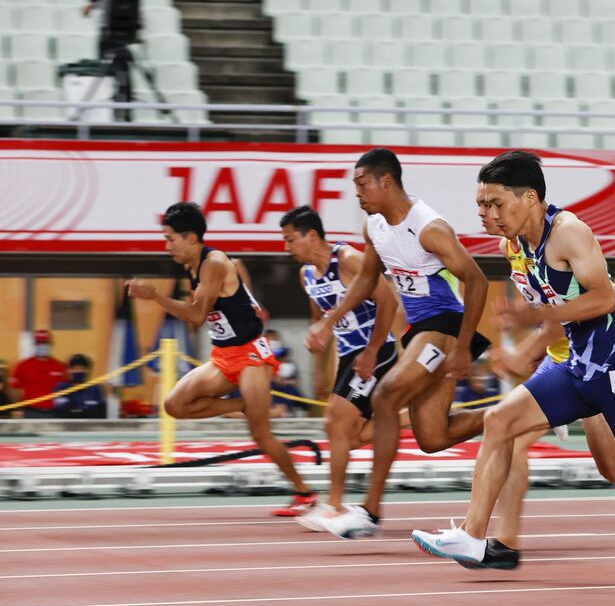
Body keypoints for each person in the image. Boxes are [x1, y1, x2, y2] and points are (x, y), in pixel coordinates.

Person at [412, 149, 615, 566]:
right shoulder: (512, 245)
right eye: (480, 204)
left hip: (612, 364)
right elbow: (552, 308)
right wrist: (531, 341)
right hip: (572, 363)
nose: (485, 213)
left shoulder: (569, 232)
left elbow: (603, 299)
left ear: (529, 198)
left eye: (494, 203)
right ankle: (473, 535)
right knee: (499, 422)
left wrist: (535, 319)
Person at [306, 148, 492, 540]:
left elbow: (477, 280)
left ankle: (370, 511)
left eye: (361, 184)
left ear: (385, 181)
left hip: (444, 326)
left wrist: (461, 347)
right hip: (420, 331)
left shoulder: (428, 227)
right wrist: (328, 321)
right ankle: (520, 413)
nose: (356, 193)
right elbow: (365, 281)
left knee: (386, 396)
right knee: (432, 437)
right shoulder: (373, 226)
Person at [125, 201, 317, 516]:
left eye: (170, 238)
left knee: (261, 434)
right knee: (175, 405)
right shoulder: (192, 266)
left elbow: (199, 316)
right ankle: (240, 405)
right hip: (224, 355)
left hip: (252, 355)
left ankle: (305, 493)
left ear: (191, 238)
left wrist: (156, 296)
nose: (166, 245)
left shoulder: (213, 262)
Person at [278, 204, 400, 529]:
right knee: (352, 435)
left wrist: (373, 350)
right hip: (349, 356)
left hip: (378, 349)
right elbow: (322, 323)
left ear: (312, 235)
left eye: (290, 240)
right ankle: (405, 419)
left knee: (335, 423)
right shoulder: (306, 276)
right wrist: (321, 367)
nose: (287, 248)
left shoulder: (348, 259)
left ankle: (333, 504)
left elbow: (389, 301)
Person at [11, 331, 68, 419]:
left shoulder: (59, 366)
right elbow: (15, 389)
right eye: (39, 343)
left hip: (54, 413)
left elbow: (65, 389)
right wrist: (17, 408)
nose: (42, 346)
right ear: (34, 344)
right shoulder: (23, 365)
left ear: (51, 344)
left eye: (45, 343)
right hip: (31, 412)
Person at [52, 354, 106, 419]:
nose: (79, 371)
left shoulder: (95, 388)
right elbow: (60, 410)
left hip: (90, 426)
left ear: (88, 371)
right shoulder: (62, 387)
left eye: (82, 369)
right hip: (67, 426)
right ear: (69, 370)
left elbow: (101, 412)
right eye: (76, 369)